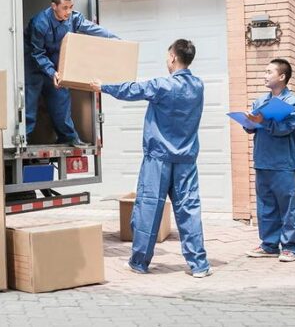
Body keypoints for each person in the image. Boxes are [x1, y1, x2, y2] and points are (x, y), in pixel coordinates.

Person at [89, 39, 211, 278]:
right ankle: (199, 265)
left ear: (174, 57)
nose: (167, 60)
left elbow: (132, 90)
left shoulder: (162, 85)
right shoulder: (198, 86)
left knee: (149, 208)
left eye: (168, 56)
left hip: (159, 159)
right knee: (189, 209)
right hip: (186, 159)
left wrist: (103, 87)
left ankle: (139, 262)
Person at [26, 0, 117, 146]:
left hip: (55, 60)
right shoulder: (40, 23)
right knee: (30, 98)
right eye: (65, 8)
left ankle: (68, 137)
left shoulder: (74, 18)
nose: (69, 12)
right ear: (54, 6)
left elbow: (93, 29)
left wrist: (115, 39)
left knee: (61, 96)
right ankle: (25, 137)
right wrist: (51, 72)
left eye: (71, 7)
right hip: (34, 62)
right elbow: (37, 53)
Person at [242, 59, 295, 263]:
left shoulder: (294, 103)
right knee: (265, 206)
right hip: (262, 161)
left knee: (287, 206)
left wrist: (263, 121)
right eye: (264, 70)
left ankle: (290, 246)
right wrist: (249, 122)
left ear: (282, 76)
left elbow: (286, 129)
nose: (264, 75)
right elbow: (251, 128)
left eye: (269, 71)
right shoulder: (260, 102)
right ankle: (269, 245)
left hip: (284, 163)